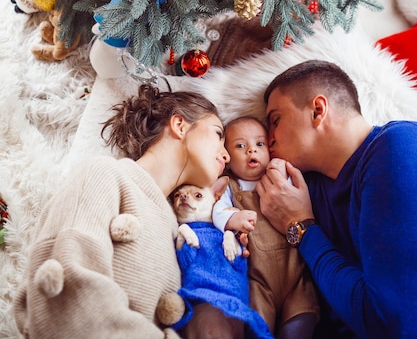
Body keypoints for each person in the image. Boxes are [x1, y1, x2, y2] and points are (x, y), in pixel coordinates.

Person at [13, 84, 229, 339]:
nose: (226, 155)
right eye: (218, 134)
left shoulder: (177, 228)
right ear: (180, 125)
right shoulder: (104, 174)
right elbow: (61, 304)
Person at [256, 59, 417, 339]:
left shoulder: (399, 147)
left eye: (275, 121)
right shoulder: (306, 188)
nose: (268, 139)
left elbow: (392, 324)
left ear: (317, 110)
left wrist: (301, 227)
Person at [213, 116, 319, 339]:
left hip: (296, 277)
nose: (252, 151)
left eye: (259, 144)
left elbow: (297, 196)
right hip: (258, 280)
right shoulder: (229, 186)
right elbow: (217, 212)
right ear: (228, 157)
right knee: (257, 327)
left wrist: (281, 166)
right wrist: (233, 218)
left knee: (299, 325)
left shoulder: (277, 178)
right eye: (240, 146)